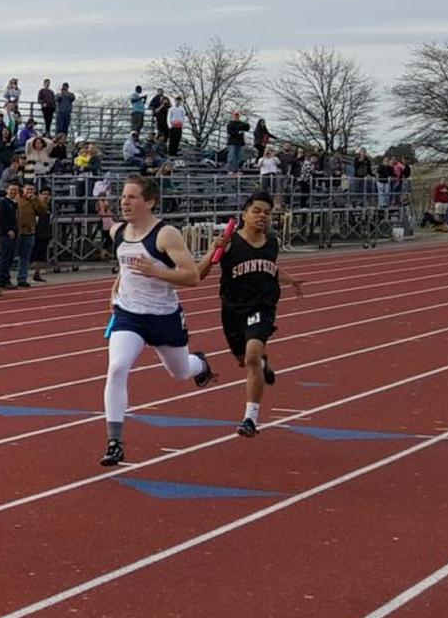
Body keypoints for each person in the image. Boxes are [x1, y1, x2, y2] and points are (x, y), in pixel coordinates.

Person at [100, 174, 212, 467]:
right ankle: (114, 441)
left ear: (149, 202)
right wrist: (117, 287)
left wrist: (156, 271)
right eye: (123, 196)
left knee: (180, 372)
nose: (125, 202)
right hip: (129, 315)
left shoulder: (166, 235)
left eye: (132, 196)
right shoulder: (118, 233)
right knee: (117, 367)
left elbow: (193, 276)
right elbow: (124, 267)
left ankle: (201, 363)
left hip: (163, 316)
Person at [197, 189, 304, 438]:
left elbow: (270, 269)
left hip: (262, 308)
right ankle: (261, 363)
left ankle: (250, 419)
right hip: (233, 310)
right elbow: (199, 274)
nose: (262, 216)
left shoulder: (272, 242)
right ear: (244, 214)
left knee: (252, 356)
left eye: (267, 213)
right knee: (243, 360)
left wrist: (290, 280)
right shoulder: (229, 242)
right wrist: (214, 250)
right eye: (256, 211)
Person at [0, 182, 19, 289]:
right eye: (11, 189)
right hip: (5, 234)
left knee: (10, 257)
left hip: (13, 233)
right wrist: (7, 230)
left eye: (15, 190)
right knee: (5, 257)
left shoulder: (14, 203)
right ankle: (2, 279)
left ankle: (6, 278)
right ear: (7, 190)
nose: (13, 192)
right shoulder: (3, 202)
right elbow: (0, 219)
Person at [31, 188, 52, 283]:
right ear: (39, 195)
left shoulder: (51, 207)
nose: (46, 196)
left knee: (41, 255)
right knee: (33, 253)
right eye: (43, 194)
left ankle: (37, 273)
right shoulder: (35, 206)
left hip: (46, 233)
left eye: (48, 194)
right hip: (36, 233)